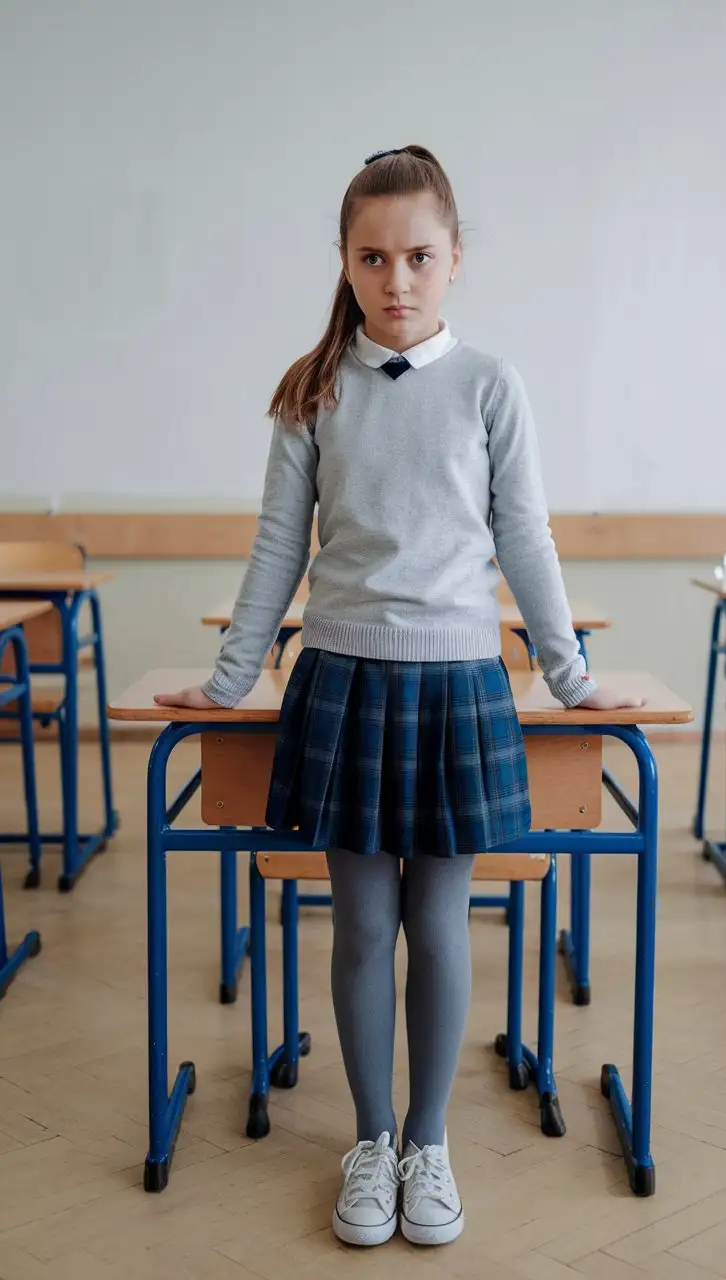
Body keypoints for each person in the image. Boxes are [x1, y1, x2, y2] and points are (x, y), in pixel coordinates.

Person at [155, 145, 640, 1249]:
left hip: (461, 679)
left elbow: (524, 535)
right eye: (372, 257)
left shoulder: (489, 384)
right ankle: (368, 1141)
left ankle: (430, 1140)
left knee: (439, 917)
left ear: (455, 258)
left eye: (418, 255)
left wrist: (568, 673)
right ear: (344, 259)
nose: (396, 278)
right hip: (343, 674)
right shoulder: (312, 390)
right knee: (362, 922)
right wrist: (231, 676)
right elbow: (279, 545)